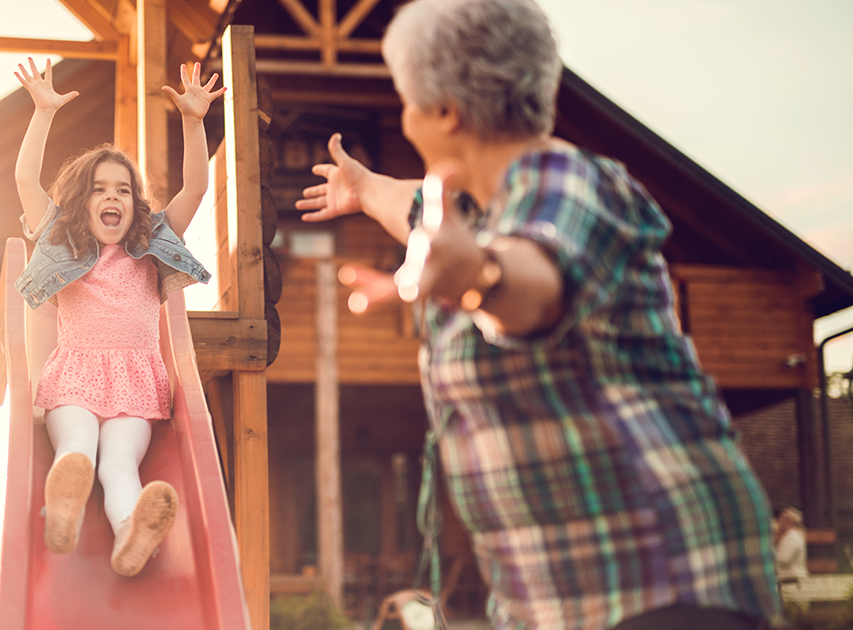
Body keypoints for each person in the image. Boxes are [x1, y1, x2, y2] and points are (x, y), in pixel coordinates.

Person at [295, 0, 780, 628]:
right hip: (564, 599)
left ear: (444, 112)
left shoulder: (570, 184)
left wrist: (479, 278)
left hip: (666, 580)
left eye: (406, 102)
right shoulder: (478, 211)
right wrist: (363, 189)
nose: (406, 120)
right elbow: (418, 207)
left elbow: (538, 279)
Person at [12, 57, 224, 577]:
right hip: (75, 379)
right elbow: (23, 178)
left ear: (136, 204)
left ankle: (132, 534)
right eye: (101, 188)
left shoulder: (150, 245)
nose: (113, 196)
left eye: (124, 190)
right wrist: (42, 112)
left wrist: (194, 122)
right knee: (80, 447)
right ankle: (61, 510)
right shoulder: (61, 242)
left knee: (119, 463)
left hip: (135, 384)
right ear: (80, 202)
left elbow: (194, 189)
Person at [775, 507, 808, 599]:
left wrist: (769, 554)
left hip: (791, 583)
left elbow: (784, 559)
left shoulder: (791, 538)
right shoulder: (790, 536)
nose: (779, 521)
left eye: (781, 518)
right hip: (789, 582)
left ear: (788, 521)